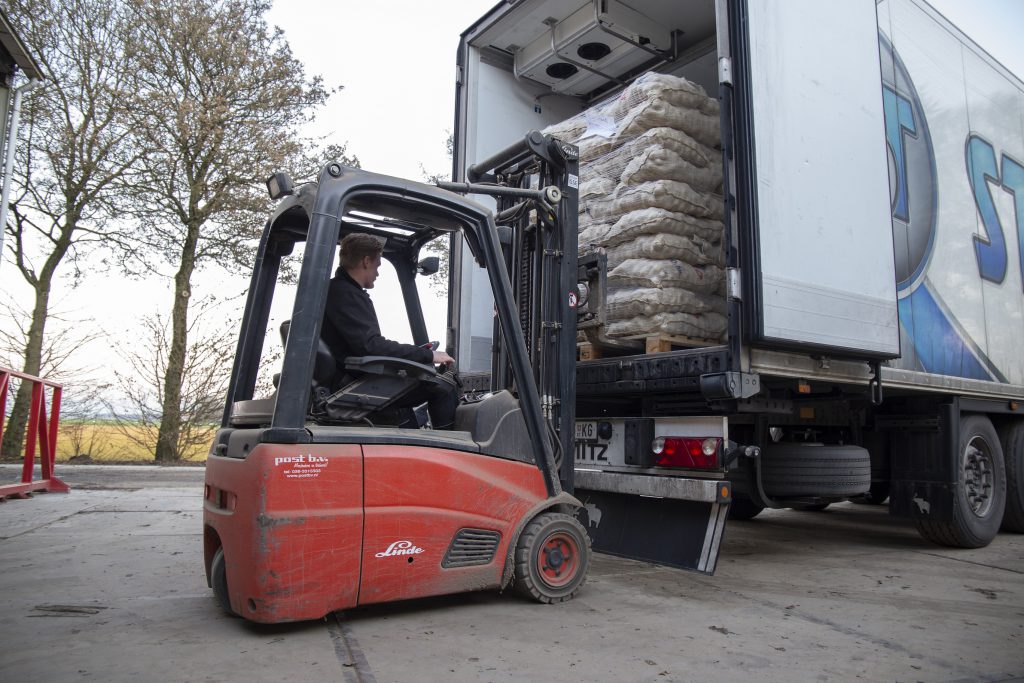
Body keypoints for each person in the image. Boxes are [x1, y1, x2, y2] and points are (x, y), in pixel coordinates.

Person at [321, 233, 458, 429]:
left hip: (352, 375)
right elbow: (372, 346)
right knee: (444, 387)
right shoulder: (346, 293)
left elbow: (366, 344)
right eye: (377, 266)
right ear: (366, 261)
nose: (377, 273)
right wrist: (427, 355)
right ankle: (451, 455)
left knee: (410, 395)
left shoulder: (340, 291)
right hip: (354, 383)